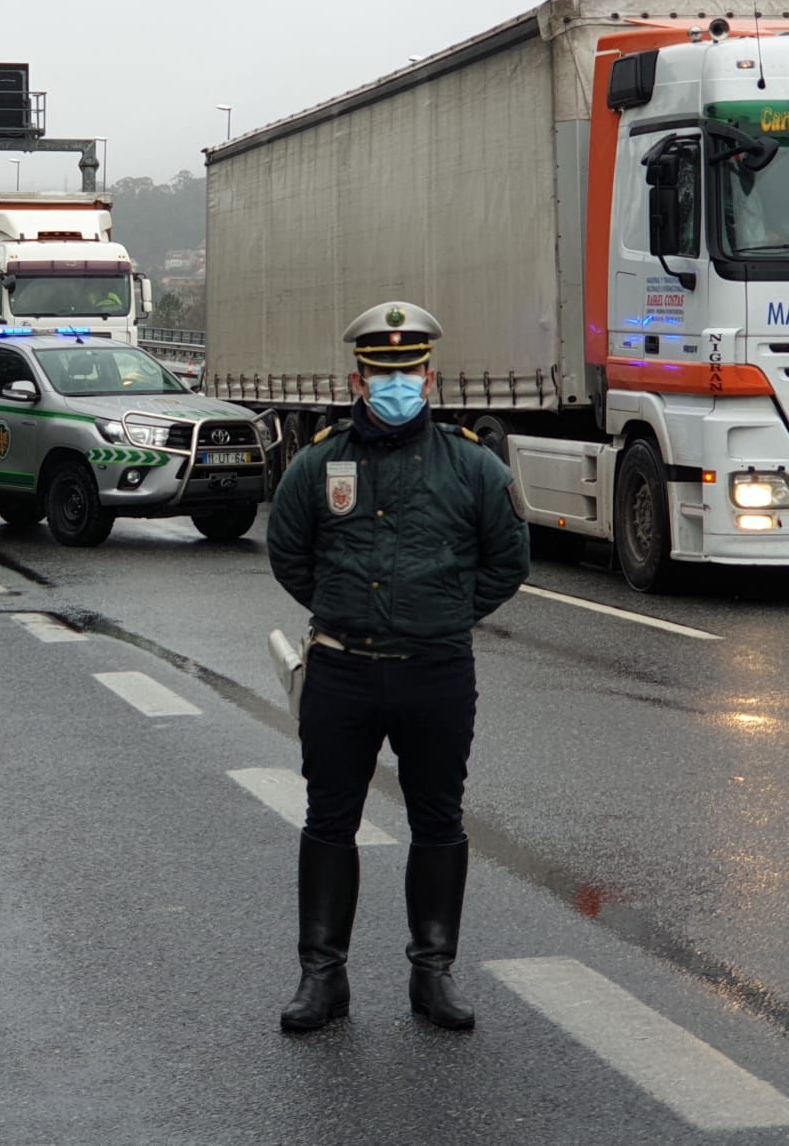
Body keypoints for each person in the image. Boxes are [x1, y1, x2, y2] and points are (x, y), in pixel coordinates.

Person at [266, 301, 530, 1033]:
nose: (395, 383)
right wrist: (340, 605)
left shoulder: (472, 464)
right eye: (381, 373)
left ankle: (432, 975)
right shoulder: (319, 461)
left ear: (429, 375)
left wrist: (443, 609)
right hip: (342, 670)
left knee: (438, 820)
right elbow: (287, 550)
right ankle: (322, 976)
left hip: (435, 669)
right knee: (328, 820)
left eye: (407, 371)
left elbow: (509, 559)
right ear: (357, 378)